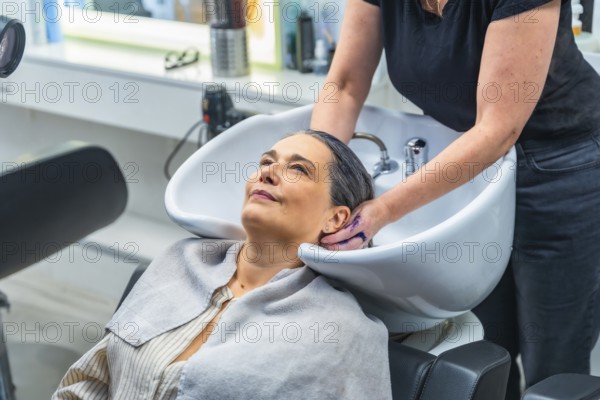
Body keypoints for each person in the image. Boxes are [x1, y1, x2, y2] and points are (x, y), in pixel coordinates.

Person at [311, 0, 600, 398]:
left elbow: (498, 129)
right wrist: (315, 180)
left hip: (559, 165)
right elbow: (344, 85)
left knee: (551, 360)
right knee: (482, 346)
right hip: (471, 163)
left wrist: (383, 209)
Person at [51, 130, 393, 399]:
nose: (269, 173)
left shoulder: (343, 332)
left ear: (336, 219)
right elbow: (95, 377)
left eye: (298, 169)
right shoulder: (181, 262)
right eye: (266, 162)